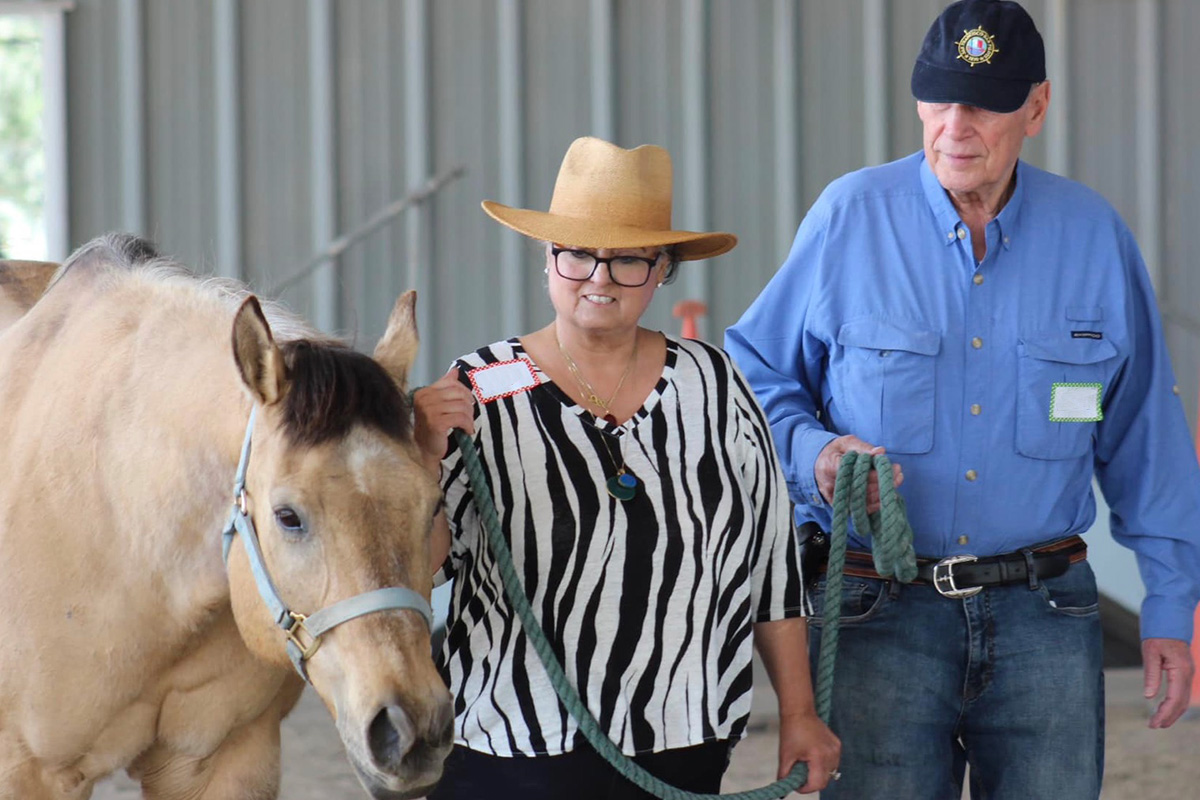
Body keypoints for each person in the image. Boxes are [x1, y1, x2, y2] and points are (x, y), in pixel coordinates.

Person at [725, 1, 1200, 798]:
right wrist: (818, 453)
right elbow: (749, 381)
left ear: (1036, 107)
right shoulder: (850, 217)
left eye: (983, 104)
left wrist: (1169, 607)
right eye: (939, 99)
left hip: (1047, 617)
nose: (955, 126)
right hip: (877, 610)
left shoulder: (1093, 237)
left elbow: (1145, 432)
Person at [412, 136, 840, 799]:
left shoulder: (715, 384)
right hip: (511, 741)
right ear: (547, 262)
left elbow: (770, 567)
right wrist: (418, 459)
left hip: (684, 740)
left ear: (663, 269)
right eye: (578, 254)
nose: (600, 279)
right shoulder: (476, 389)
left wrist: (799, 713)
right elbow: (424, 564)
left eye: (630, 261)